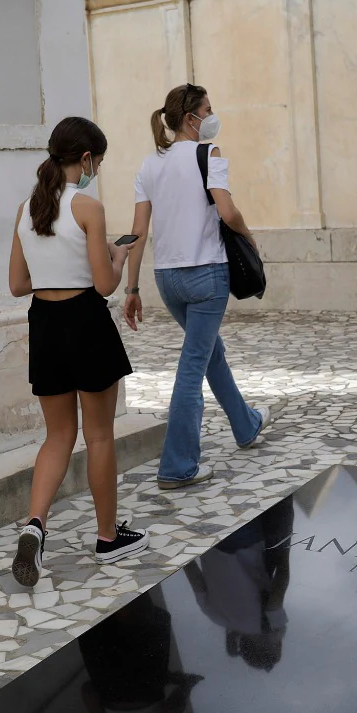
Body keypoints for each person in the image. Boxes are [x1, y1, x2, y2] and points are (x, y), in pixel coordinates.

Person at [8, 116, 147, 586]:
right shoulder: (89, 207)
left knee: (57, 436)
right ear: (85, 158)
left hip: (44, 324)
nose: (97, 169)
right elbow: (105, 284)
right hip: (86, 322)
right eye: (98, 161)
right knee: (100, 436)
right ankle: (108, 538)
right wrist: (118, 256)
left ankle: (35, 525)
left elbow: (17, 284)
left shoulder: (26, 210)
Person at [123, 83, 268, 489]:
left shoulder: (149, 164)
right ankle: (177, 466)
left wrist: (131, 289)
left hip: (166, 279)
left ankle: (246, 424)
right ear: (191, 118)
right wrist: (250, 238)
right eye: (208, 109)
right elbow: (228, 210)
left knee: (208, 352)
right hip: (206, 275)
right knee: (192, 368)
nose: (212, 115)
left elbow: (137, 232)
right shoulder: (209, 153)